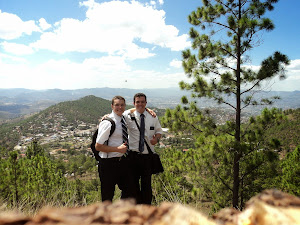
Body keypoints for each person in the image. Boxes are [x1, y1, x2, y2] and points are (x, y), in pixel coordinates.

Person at [95, 96, 136, 202]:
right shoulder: (108, 123)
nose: (120, 107)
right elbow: (98, 146)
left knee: (130, 191)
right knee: (107, 196)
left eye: (122, 105)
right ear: (112, 106)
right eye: (117, 105)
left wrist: (148, 109)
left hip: (122, 162)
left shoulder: (123, 117)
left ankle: (120, 213)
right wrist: (117, 149)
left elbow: (133, 109)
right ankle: (107, 217)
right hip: (108, 164)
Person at [124, 93, 163, 204]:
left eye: (142, 102)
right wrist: (106, 116)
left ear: (146, 103)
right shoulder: (128, 115)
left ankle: (147, 209)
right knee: (133, 185)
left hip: (147, 157)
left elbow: (159, 131)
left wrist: (157, 139)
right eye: (137, 102)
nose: (140, 104)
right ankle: (136, 210)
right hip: (133, 156)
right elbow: (117, 114)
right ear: (134, 103)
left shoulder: (153, 117)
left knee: (147, 185)